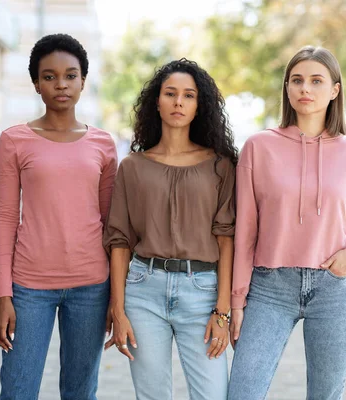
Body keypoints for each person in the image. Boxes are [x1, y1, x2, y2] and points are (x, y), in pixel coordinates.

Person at [228, 46, 346, 400]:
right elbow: (244, 230)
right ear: (287, 88)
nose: (305, 89)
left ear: (335, 90)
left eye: (316, 80)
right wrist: (236, 301)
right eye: (297, 80)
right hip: (269, 288)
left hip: (332, 288)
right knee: (243, 392)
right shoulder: (259, 147)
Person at [0, 33, 118, 400]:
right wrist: (3, 296)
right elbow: (3, 218)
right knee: (17, 390)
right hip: (29, 288)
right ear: (36, 83)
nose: (60, 83)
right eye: (49, 76)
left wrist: (116, 296)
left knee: (81, 392)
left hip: (92, 286)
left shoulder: (104, 144)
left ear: (82, 81)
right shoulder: (14, 140)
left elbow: (112, 224)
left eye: (70, 75)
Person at [103, 58, 238, 400]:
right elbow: (119, 240)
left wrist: (221, 312)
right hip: (143, 291)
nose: (179, 102)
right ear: (156, 102)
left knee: (212, 394)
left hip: (203, 291)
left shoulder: (220, 166)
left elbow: (227, 238)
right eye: (170, 93)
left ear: (199, 106)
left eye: (189, 95)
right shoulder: (132, 167)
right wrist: (118, 311)